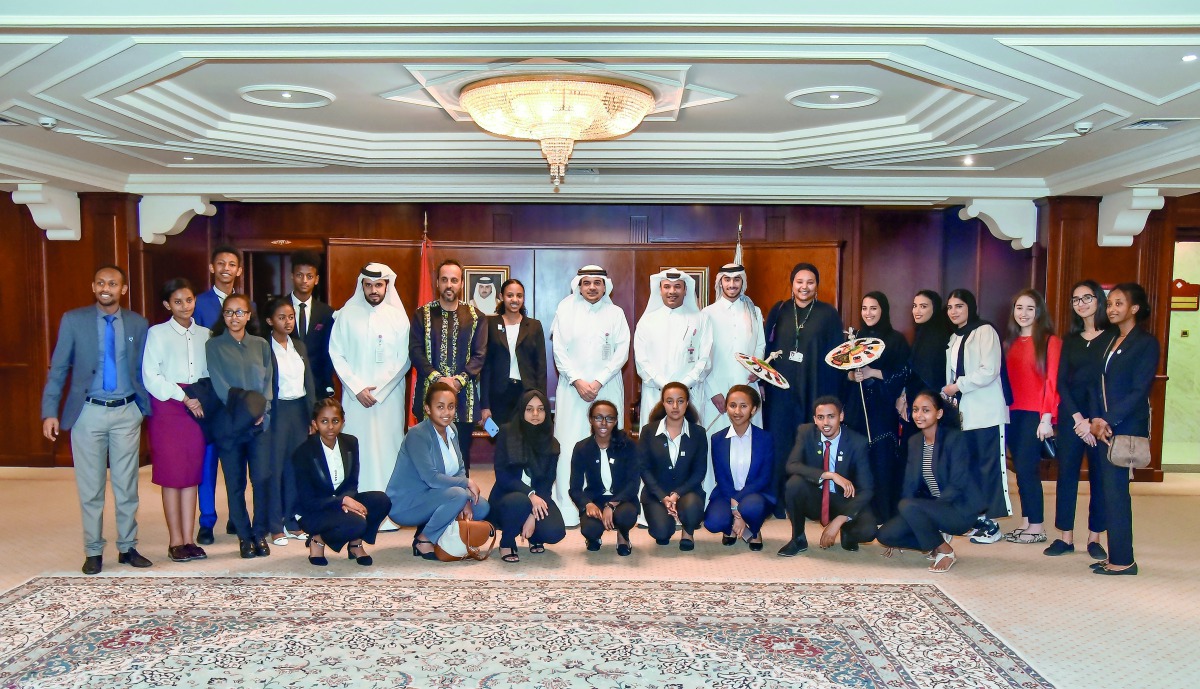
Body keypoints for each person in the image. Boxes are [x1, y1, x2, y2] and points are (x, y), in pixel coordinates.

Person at [41, 265, 153, 575]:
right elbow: (59, 368)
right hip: (87, 413)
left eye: (113, 283)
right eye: (101, 283)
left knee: (127, 484)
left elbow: (145, 369)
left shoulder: (138, 323)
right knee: (90, 486)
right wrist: (50, 410)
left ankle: (128, 547)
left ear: (123, 289)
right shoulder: (73, 320)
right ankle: (93, 550)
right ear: (93, 286)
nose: (107, 288)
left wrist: (143, 410)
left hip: (126, 412)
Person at [550, 265, 631, 528]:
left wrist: (597, 381)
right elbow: (559, 349)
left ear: (605, 286)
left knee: (610, 443)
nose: (592, 287)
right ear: (579, 285)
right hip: (572, 389)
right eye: (587, 283)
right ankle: (567, 508)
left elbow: (622, 352)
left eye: (598, 282)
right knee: (568, 443)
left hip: (606, 387)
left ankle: (612, 504)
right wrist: (577, 380)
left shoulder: (616, 313)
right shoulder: (565, 309)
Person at [1088, 282, 1158, 576]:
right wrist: (1095, 418)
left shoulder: (1146, 342)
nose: (1112, 309)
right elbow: (1099, 384)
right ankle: (1118, 555)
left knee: (1117, 493)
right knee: (1109, 491)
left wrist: (1108, 419)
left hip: (1125, 426)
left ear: (1135, 308)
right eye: (1109, 304)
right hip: (1105, 427)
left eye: (1119, 303)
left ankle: (1123, 560)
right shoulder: (1111, 340)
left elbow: (1139, 389)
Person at [764, 262, 844, 517]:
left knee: (810, 445)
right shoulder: (780, 311)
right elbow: (766, 350)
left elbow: (836, 357)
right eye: (800, 282)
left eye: (810, 282)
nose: (804, 287)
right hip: (781, 393)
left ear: (816, 286)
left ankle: (808, 504)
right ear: (792, 284)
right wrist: (763, 384)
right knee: (780, 443)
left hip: (815, 390)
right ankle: (778, 502)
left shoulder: (828, 313)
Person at [1044, 280, 1115, 559]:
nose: (1081, 303)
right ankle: (1065, 537)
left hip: (1100, 421)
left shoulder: (1111, 338)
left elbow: (1108, 383)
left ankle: (1095, 538)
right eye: (1076, 300)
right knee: (1066, 476)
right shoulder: (1070, 341)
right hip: (1072, 418)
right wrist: (1078, 420)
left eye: (1087, 297)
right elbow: (1062, 383)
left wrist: (1093, 422)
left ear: (1098, 300)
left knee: (1099, 478)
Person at [328, 263, 411, 499]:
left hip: (389, 399)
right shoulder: (346, 315)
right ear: (362, 285)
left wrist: (379, 390)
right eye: (369, 285)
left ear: (387, 286)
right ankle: (358, 504)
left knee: (389, 449)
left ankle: (389, 508)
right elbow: (336, 354)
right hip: (356, 400)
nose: (374, 290)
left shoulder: (398, 318)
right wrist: (357, 388)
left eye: (378, 285)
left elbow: (405, 359)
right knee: (358, 450)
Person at [877, 391, 985, 573]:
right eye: (916, 410)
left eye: (926, 410)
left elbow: (958, 483)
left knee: (910, 506)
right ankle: (936, 539)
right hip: (930, 506)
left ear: (939, 413)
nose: (919, 415)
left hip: (959, 509)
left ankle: (946, 551)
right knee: (886, 534)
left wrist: (930, 512)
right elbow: (909, 486)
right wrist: (908, 516)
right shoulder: (915, 441)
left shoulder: (954, 439)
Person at [142, 278, 209, 562]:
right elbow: (150, 375)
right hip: (168, 405)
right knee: (172, 476)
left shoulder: (206, 333)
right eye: (178, 301)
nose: (185, 306)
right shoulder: (156, 333)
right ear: (167, 305)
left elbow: (210, 374)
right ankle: (175, 541)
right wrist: (181, 397)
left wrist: (199, 398)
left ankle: (190, 539)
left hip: (198, 406)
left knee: (191, 475)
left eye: (189, 300)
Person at [386, 382, 490, 559]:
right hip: (406, 503)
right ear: (427, 408)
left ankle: (440, 532)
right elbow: (431, 478)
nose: (446, 412)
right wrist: (466, 484)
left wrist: (465, 496)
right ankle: (424, 540)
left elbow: (459, 468)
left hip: (434, 495)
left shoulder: (452, 429)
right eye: (440, 407)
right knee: (458, 494)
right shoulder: (417, 434)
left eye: (451, 407)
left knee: (480, 507)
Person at [205, 293, 274, 559]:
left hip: (259, 425)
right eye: (229, 313)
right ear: (223, 316)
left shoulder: (260, 345)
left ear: (248, 316)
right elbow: (221, 387)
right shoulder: (213, 346)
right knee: (235, 483)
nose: (234, 318)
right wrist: (247, 412)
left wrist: (262, 410)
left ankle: (259, 534)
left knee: (261, 480)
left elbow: (268, 382)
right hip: (231, 424)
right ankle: (244, 537)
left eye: (239, 312)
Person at [942, 288, 1009, 544]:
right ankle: (979, 520)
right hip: (965, 415)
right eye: (950, 307)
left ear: (970, 306)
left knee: (989, 469)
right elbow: (953, 371)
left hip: (987, 413)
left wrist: (958, 386)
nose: (954, 311)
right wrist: (949, 391)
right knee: (971, 470)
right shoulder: (955, 337)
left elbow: (989, 370)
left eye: (959, 306)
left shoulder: (985, 331)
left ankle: (993, 524)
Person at [292, 398, 391, 567]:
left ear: (343, 422)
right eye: (324, 421)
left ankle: (355, 544)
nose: (330, 426)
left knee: (381, 500)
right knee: (356, 522)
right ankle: (317, 540)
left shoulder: (350, 443)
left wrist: (348, 501)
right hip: (315, 511)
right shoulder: (303, 452)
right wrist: (342, 502)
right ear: (315, 424)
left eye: (335, 421)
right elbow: (307, 500)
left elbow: (352, 483)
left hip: (342, 503)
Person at [410, 259, 487, 466]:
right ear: (437, 283)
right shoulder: (422, 315)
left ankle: (462, 497)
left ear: (462, 283)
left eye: (454, 280)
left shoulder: (476, 317)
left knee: (461, 458)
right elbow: (415, 352)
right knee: (429, 458)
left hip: (463, 400)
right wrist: (437, 378)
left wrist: (458, 381)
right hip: (429, 393)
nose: (449, 285)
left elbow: (480, 355)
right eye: (444, 280)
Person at [779, 396, 878, 556]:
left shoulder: (857, 442)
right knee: (794, 484)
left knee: (868, 530)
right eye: (820, 417)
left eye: (831, 416)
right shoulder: (806, 432)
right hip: (817, 498)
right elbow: (792, 465)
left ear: (841, 416)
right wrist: (829, 475)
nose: (826, 423)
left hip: (844, 499)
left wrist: (839, 520)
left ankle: (847, 530)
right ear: (815, 419)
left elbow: (867, 489)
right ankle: (797, 539)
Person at [842, 291, 910, 523]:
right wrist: (852, 376)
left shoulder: (895, 339)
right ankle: (856, 513)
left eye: (873, 308)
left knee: (881, 459)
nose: (868, 313)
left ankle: (883, 512)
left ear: (883, 310)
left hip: (882, 408)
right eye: (864, 308)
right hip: (857, 409)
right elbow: (840, 374)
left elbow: (904, 372)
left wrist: (874, 373)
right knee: (857, 459)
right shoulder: (854, 340)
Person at [191, 244, 242, 545]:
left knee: (237, 459)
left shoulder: (246, 303)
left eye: (231, 263)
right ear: (212, 268)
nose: (226, 268)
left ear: (239, 269)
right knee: (208, 460)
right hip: (209, 393)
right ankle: (207, 520)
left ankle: (236, 516)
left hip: (238, 395)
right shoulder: (197, 304)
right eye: (220, 263)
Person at [1003, 289, 1061, 544]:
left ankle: (1037, 526)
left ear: (1039, 312)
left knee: (1028, 470)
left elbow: (1052, 381)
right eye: (1019, 308)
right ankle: (1027, 522)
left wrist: (1047, 417)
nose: (1023, 313)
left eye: (1030, 308)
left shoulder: (1050, 341)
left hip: (1035, 416)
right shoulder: (1010, 343)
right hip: (1012, 414)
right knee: (1020, 471)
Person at [489, 390, 566, 562]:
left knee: (555, 531)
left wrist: (533, 516)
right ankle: (507, 542)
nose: (535, 414)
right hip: (507, 497)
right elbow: (502, 475)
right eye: (530, 409)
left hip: (539, 498)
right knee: (520, 501)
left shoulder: (553, 444)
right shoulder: (507, 433)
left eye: (540, 409)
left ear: (547, 413)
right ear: (522, 411)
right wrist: (530, 494)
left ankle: (535, 537)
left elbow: (547, 483)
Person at [264, 298, 317, 546]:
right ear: (269, 321)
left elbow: (309, 383)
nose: (287, 321)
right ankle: (275, 525)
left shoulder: (299, 346)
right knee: (275, 468)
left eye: (291, 317)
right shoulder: (265, 347)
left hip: (299, 410)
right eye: (281, 317)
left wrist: (312, 415)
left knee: (295, 468)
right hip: (277, 411)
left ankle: (291, 522)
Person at [633, 268, 712, 429]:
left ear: (685, 290)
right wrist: (666, 387)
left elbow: (705, 359)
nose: (672, 291)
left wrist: (682, 387)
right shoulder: (647, 321)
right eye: (667, 286)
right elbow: (641, 362)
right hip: (656, 393)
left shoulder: (701, 319)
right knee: (654, 443)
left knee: (690, 444)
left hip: (690, 393)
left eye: (677, 286)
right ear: (660, 290)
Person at [638, 382, 708, 550]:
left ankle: (688, 531)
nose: (675, 406)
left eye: (680, 401)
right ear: (663, 403)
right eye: (670, 401)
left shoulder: (698, 433)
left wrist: (677, 494)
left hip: (688, 492)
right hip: (657, 493)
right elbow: (644, 469)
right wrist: (663, 497)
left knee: (691, 509)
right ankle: (665, 522)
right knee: (661, 534)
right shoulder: (648, 431)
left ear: (687, 403)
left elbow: (699, 472)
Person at [704, 385, 774, 551]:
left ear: (754, 409)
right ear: (726, 408)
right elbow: (720, 477)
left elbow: (764, 477)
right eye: (732, 405)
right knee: (713, 522)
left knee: (752, 507)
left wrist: (737, 502)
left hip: (755, 494)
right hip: (726, 492)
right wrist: (735, 508)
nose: (737, 411)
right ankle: (734, 528)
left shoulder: (765, 438)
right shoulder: (717, 439)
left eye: (744, 406)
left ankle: (754, 530)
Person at [700, 263, 765, 434]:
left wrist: (756, 369)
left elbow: (760, 345)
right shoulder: (707, 313)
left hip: (748, 382)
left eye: (737, 280)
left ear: (742, 282)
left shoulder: (754, 311)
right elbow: (703, 356)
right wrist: (713, 392)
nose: (732, 284)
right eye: (727, 280)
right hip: (716, 388)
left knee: (750, 437)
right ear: (720, 283)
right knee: (716, 439)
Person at [569, 399, 640, 556]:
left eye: (609, 418)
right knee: (590, 529)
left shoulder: (628, 445)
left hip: (622, 499)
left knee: (626, 516)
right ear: (591, 419)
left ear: (615, 421)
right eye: (598, 417)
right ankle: (594, 538)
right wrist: (587, 504)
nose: (603, 423)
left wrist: (611, 504)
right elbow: (574, 488)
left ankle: (623, 536)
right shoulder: (582, 448)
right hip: (595, 500)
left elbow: (633, 484)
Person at [480, 278, 547, 426]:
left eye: (519, 296)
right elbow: (486, 367)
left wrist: (541, 400)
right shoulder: (490, 324)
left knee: (526, 441)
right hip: (498, 395)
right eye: (510, 295)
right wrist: (485, 405)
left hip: (527, 393)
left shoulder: (534, 326)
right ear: (501, 297)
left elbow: (540, 367)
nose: (515, 300)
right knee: (498, 438)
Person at [900, 290, 953, 444]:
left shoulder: (937, 334)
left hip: (929, 402)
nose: (917, 311)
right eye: (915, 306)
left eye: (923, 306)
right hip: (917, 401)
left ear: (934, 308)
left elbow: (930, 373)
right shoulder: (921, 332)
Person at [288, 251, 336, 398]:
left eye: (309, 276)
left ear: (316, 279)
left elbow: (329, 352)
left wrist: (328, 384)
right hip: (285, 385)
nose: (304, 280)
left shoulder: (327, 313)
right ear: (292, 276)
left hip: (317, 386)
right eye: (299, 275)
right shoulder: (278, 308)